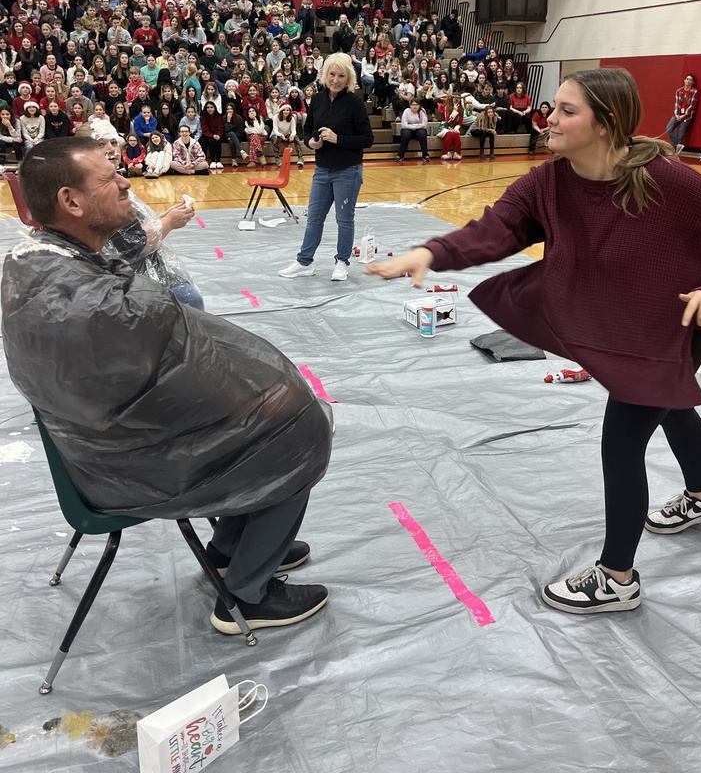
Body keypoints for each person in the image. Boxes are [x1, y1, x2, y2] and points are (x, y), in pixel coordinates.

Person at [366, 68, 701, 615]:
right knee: (669, 409)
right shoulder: (548, 181)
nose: (549, 118)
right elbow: (497, 227)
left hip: (670, 329)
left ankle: (617, 578)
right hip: (625, 323)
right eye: (553, 107)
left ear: (606, 124)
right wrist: (431, 253)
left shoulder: (667, 179)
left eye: (566, 111)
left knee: (622, 443)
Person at [2, 138, 333, 633]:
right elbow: (165, 355)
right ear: (71, 202)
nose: (125, 183)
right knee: (295, 431)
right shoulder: (92, 303)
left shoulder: (35, 262)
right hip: (122, 468)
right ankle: (246, 597)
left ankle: (229, 552)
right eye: (109, 178)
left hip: (100, 447)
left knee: (269, 413)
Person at [279, 53, 373, 282]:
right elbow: (309, 130)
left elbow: (367, 139)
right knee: (314, 218)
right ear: (325, 75)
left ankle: (342, 262)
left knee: (344, 219)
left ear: (348, 78)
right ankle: (304, 262)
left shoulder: (355, 103)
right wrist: (312, 142)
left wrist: (337, 139)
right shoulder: (318, 100)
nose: (336, 79)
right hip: (322, 170)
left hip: (347, 170)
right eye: (332, 74)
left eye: (341, 75)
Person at [665, 74, 697, 154]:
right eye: (687, 79)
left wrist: (683, 115)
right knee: (669, 128)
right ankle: (678, 144)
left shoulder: (694, 91)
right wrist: (677, 115)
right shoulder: (679, 91)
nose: (688, 81)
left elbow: (692, 106)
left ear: (692, 82)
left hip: (687, 115)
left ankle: (674, 149)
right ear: (684, 80)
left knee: (680, 132)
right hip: (678, 113)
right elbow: (677, 103)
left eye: (690, 80)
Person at [396, 99, 430, 164]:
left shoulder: (422, 111)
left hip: (418, 130)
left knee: (422, 133)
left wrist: (413, 126)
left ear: (419, 105)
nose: (415, 106)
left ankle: (425, 155)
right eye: (413, 105)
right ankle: (400, 155)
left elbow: (424, 125)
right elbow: (404, 125)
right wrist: (415, 126)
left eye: (417, 105)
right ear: (410, 105)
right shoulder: (406, 111)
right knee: (406, 134)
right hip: (408, 129)